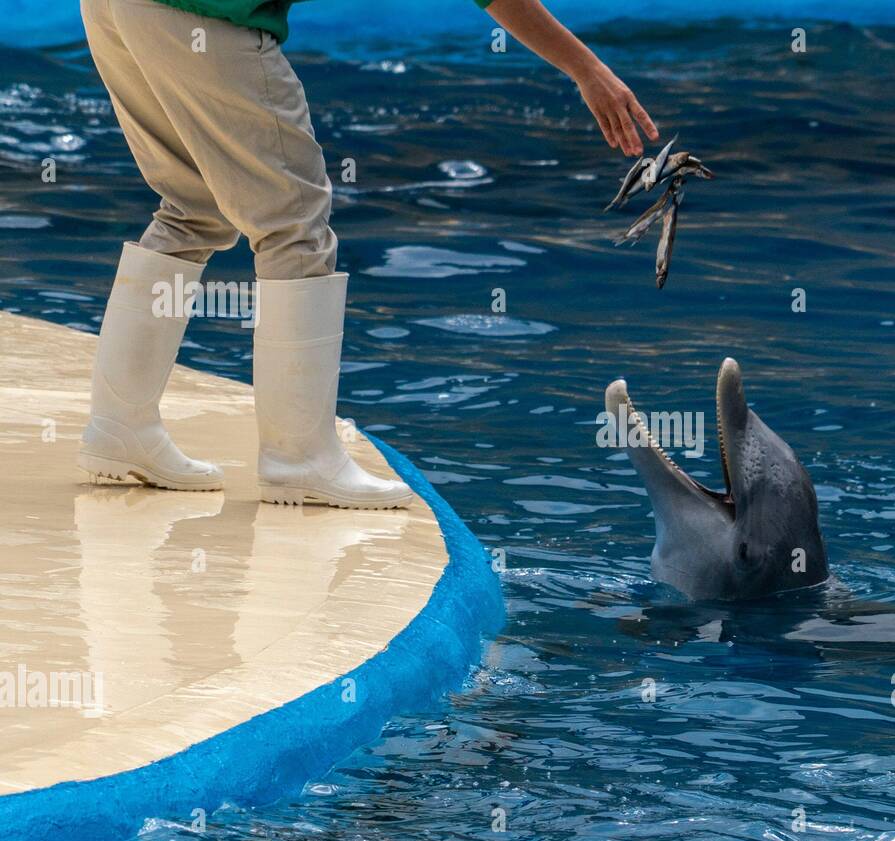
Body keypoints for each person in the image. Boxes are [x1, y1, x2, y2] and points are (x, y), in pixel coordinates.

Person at [77, 0, 658, 508]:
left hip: (117, 8)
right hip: (204, 13)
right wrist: (589, 70)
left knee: (192, 205)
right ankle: (300, 460)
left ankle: (119, 428)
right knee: (293, 227)